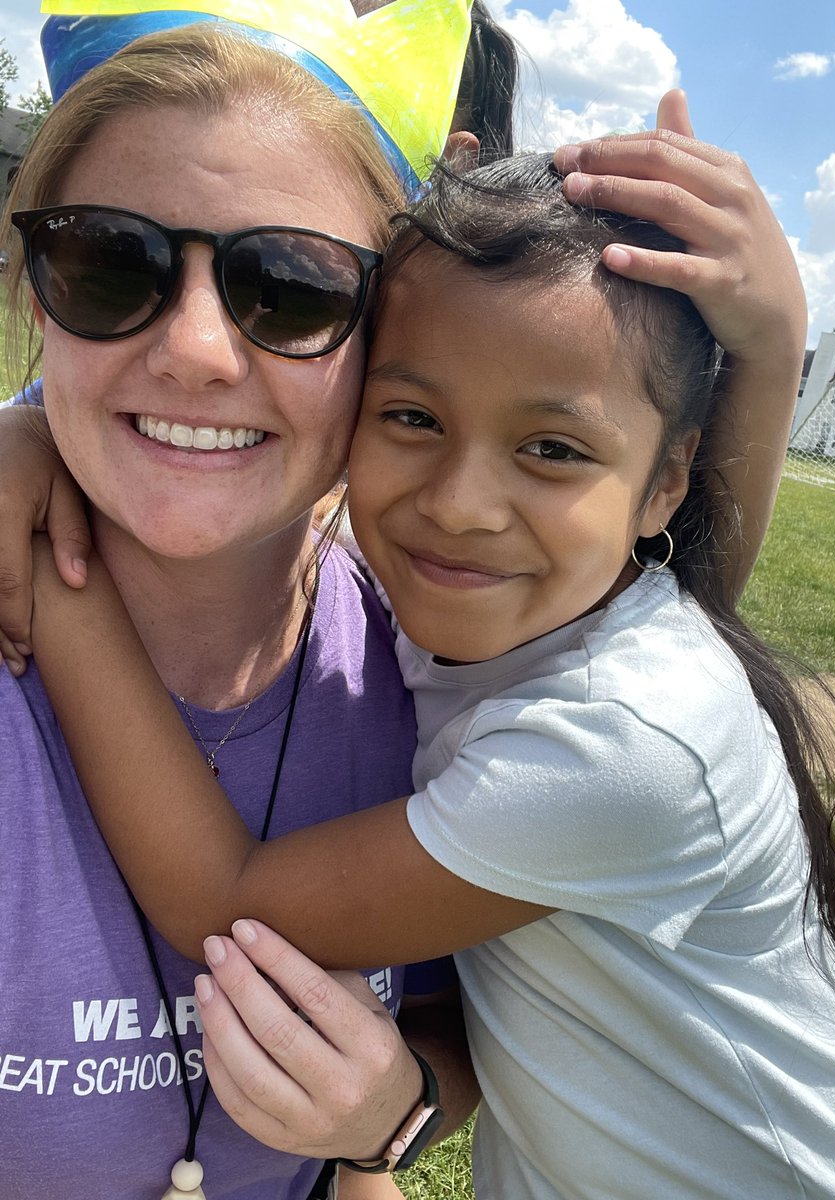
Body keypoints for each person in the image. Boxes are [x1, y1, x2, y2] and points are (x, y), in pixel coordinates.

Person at [21, 147, 835, 1200]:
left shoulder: (627, 742)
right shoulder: (519, 626)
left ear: (667, 482)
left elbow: (224, 896)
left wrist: (48, 565)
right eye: (414, 419)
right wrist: (38, 422)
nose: (461, 505)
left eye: (553, 451)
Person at [0, 17, 492, 1200]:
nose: (199, 349)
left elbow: (440, 1026)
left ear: (389, 328)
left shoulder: (433, 674)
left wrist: (395, 1117)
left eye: (290, 285)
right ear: (35, 288)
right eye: (110, 262)